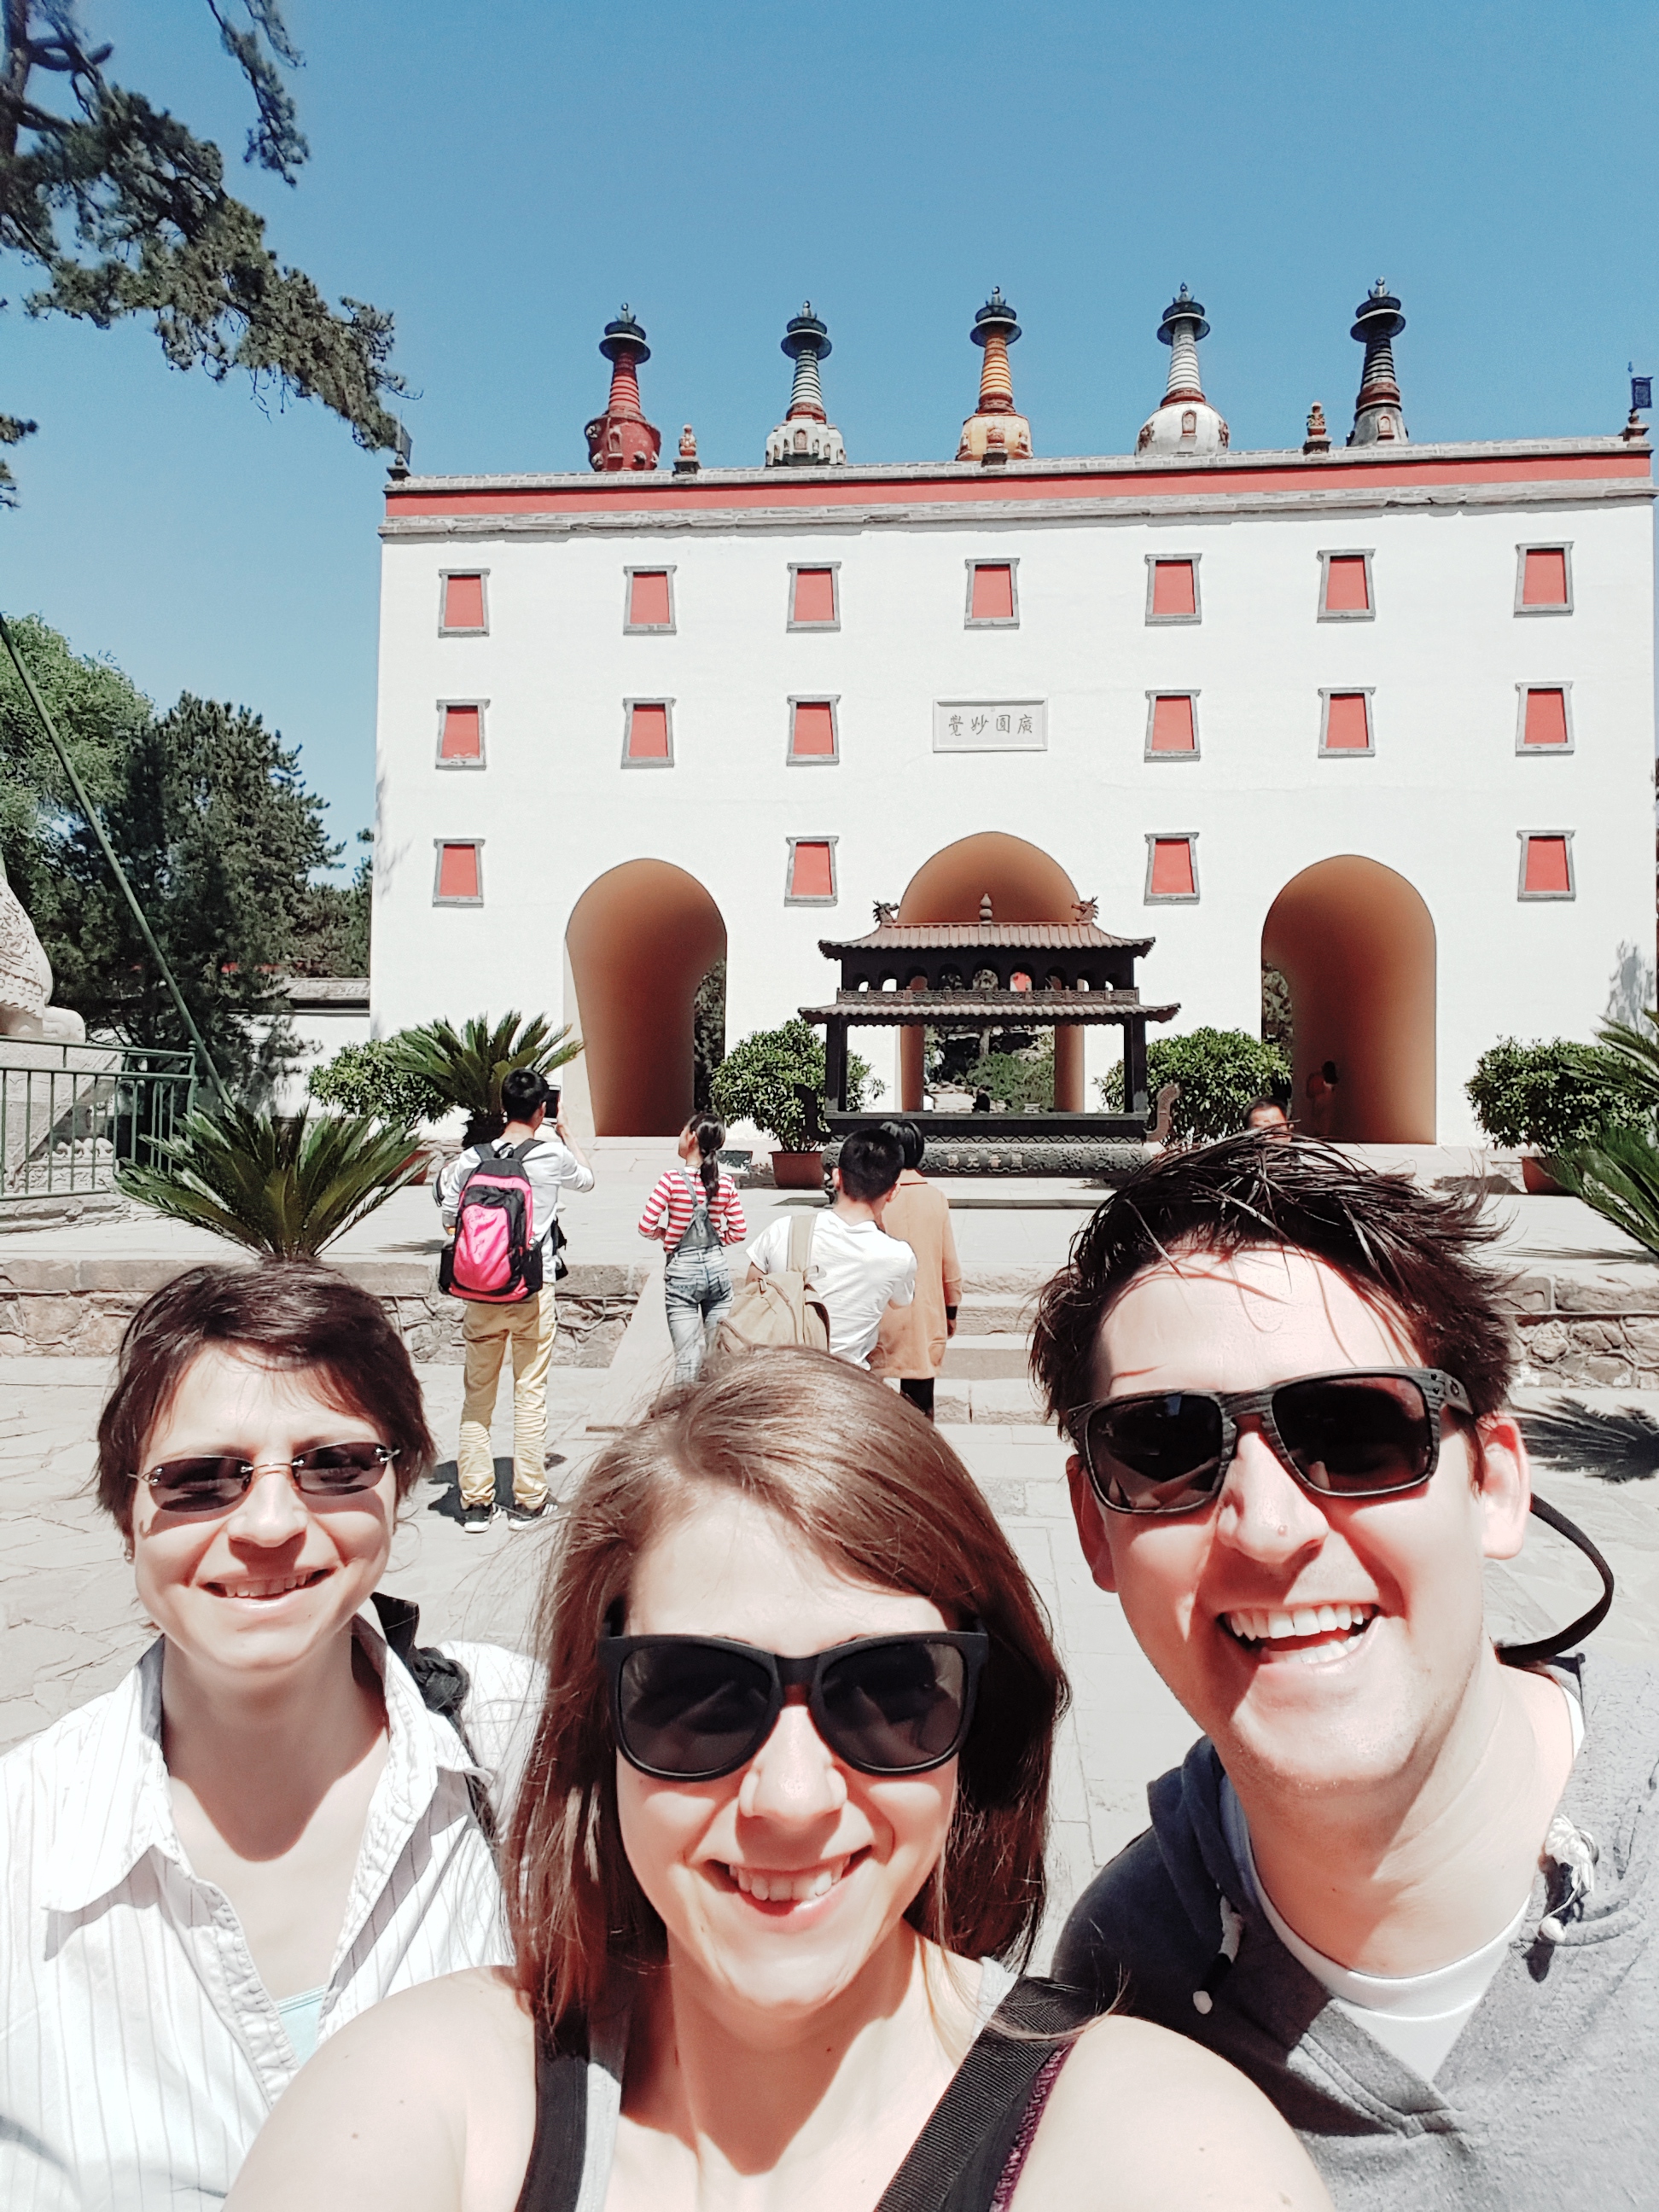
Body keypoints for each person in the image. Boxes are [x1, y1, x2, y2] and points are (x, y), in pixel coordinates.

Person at [226, 1352, 1330, 2212]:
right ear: (599, 1719)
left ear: (977, 1725)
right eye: (698, 1696)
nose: (793, 1800)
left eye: (892, 1693)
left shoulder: (1158, 2154)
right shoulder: (433, 2105)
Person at [1028, 1133, 1652, 2209]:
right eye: (1166, 1444)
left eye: (1358, 1431)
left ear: (1494, 1485)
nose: (1268, 1527)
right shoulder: (1121, 1982)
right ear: (1096, 1532)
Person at [0, 1262, 538, 2212]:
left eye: (336, 1465)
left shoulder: (524, 1741)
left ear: (399, 1485)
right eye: (201, 1479)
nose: (272, 1524)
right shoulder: (22, 1844)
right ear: (127, 1514)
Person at [438, 1068, 593, 1532]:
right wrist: (566, 1134)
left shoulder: (472, 1158)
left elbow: (448, 1214)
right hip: (532, 1290)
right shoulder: (551, 1156)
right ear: (543, 1109)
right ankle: (529, 1500)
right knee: (530, 1394)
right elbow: (587, 1180)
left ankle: (476, 1504)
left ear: (503, 1106)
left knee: (477, 1397)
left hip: (480, 1293)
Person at [744, 1124, 917, 1369]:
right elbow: (901, 1301)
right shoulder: (898, 1256)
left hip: (779, 1376)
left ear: (836, 1176)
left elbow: (751, 1293)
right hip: (844, 1380)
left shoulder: (783, 1230)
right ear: (893, 1192)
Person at [637, 1115, 748, 1382]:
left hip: (682, 1271)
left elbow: (645, 1225)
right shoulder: (726, 1183)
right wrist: (718, 1239)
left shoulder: (670, 1180)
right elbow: (739, 1231)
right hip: (717, 1268)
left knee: (687, 1361)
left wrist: (666, 1236)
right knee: (719, 1359)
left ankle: (684, 1407)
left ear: (692, 1137)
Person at [869, 1117, 962, 1420]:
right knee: (921, 1405)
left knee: (870, 1401)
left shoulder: (873, 1197)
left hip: (878, 1312)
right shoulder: (935, 1198)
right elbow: (949, 1263)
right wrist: (951, 1310)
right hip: (925, 1314)